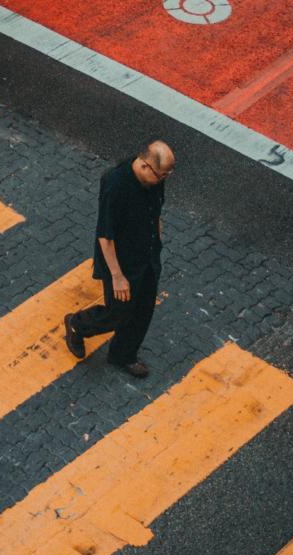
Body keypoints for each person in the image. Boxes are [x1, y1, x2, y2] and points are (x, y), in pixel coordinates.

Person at [63, 140, 174, 378]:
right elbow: (106, 237)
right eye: (161, 175)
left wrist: (157, 245)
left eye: (167, 175)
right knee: (118, 312)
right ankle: (77, 324)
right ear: (145, 166)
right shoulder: (116, 185)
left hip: (147, 256)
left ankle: (123, 355)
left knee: (143, 310)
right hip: (121, 263)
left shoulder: (155, 181)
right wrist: (117, 276)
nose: (164, 180)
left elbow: (156, 214)